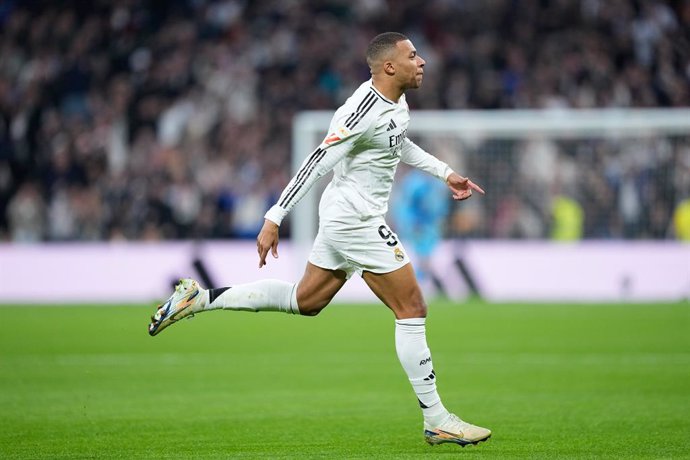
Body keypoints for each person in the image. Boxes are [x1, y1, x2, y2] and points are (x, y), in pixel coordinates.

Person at [148, 32, 491, 447]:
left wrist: (444, 172)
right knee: (412, 306)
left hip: (348, 216)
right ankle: (436, 418)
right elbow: (316, 161)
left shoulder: (396, 103)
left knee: (304, 301)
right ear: (389, 66)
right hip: (353, 219)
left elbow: (399, 144)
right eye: (413, 55)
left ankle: (198, 298)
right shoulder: (359, 110)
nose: (422, 62)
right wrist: (275, 216)